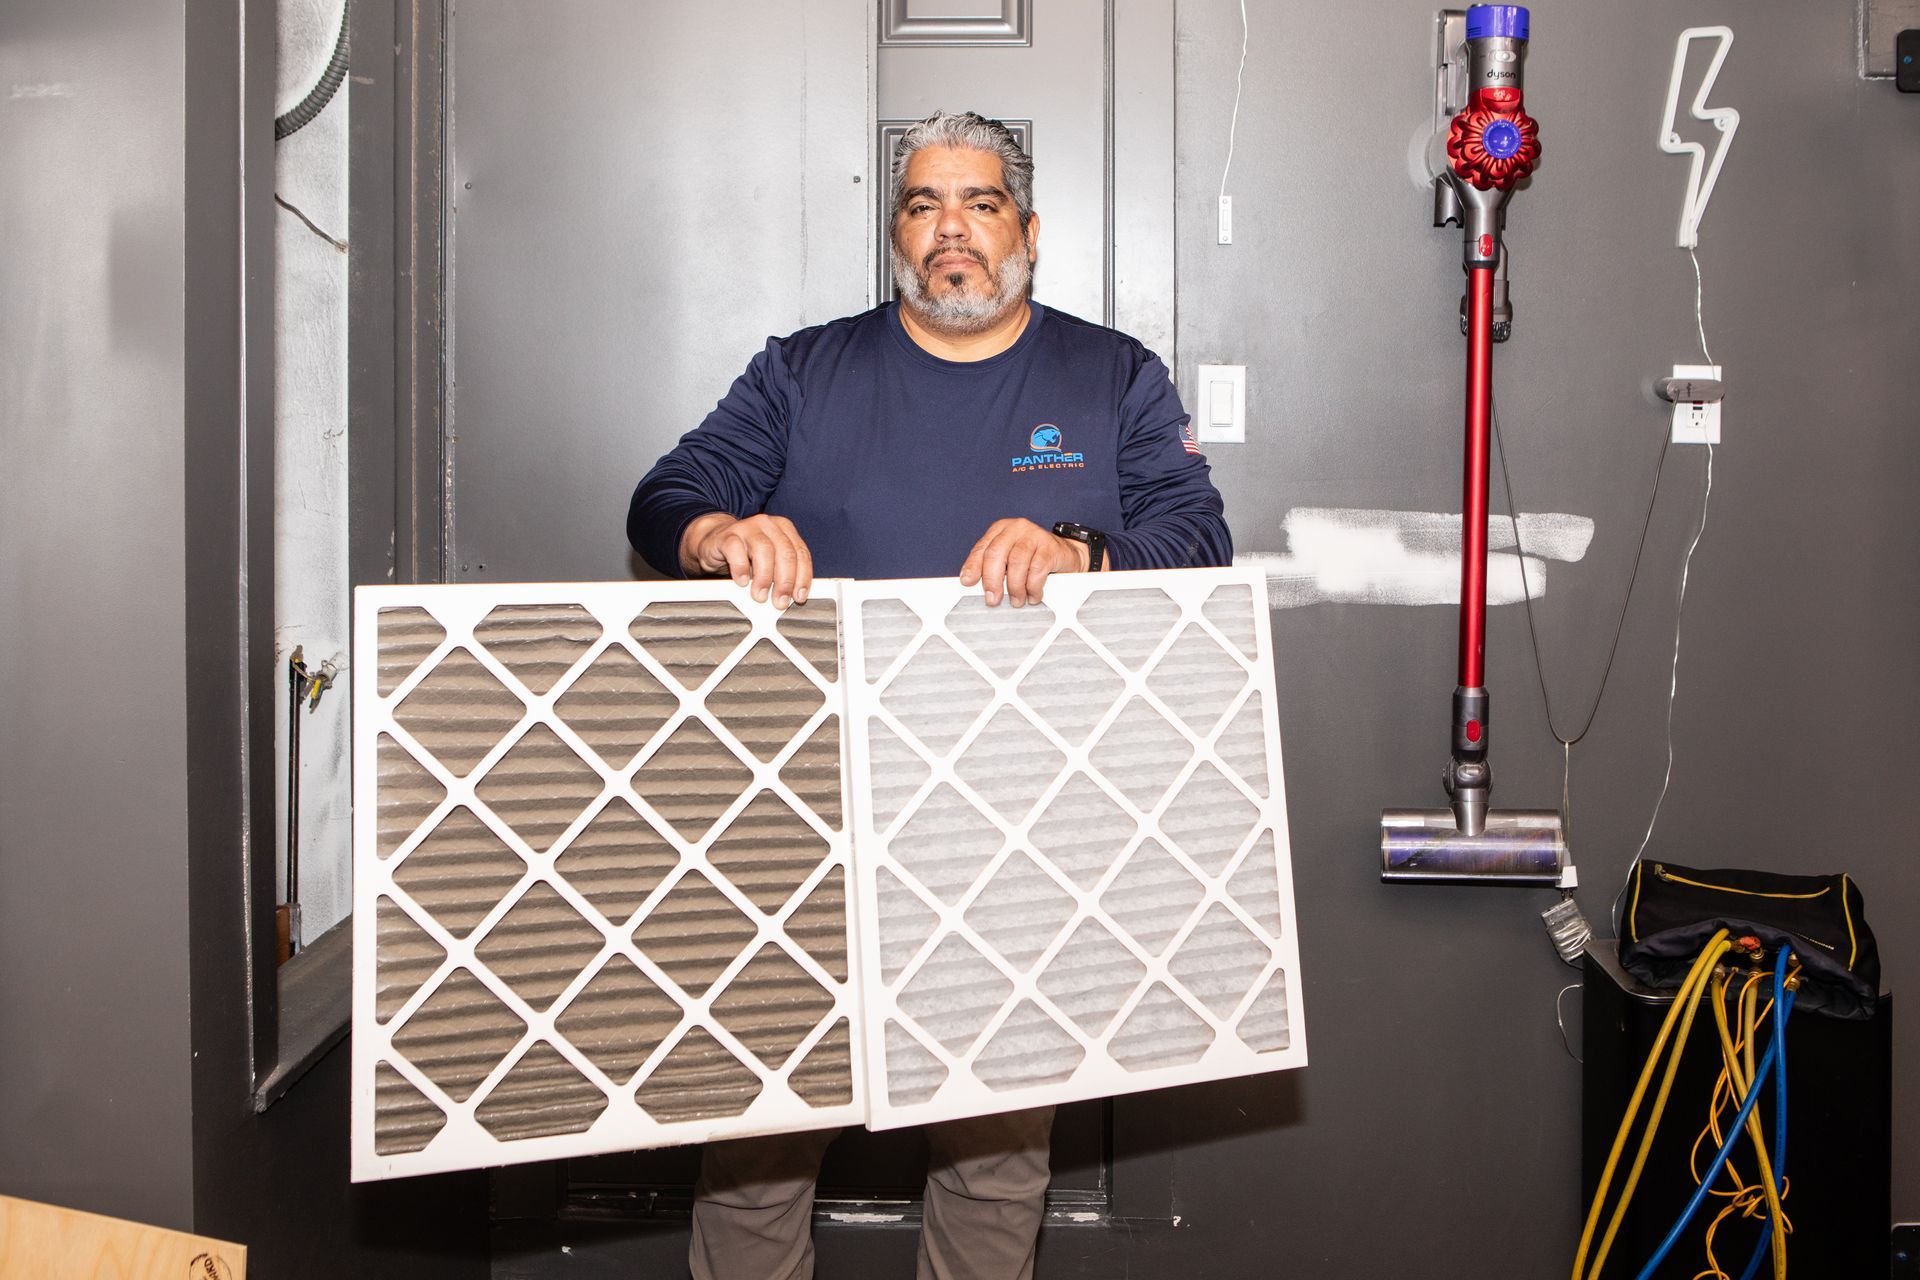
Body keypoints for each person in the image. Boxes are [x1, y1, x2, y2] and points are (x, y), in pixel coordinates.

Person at [627, 110, 1231, 1280]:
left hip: (1024, 826)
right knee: (755, 1148)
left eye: (980, 203)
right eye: (922, 205)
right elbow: (670, 491)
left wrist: (1080, 551)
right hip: (800, 822)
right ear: (899, 233)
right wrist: (715, 532)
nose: (950, 229)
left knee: (997, 1159)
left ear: (1029, 231)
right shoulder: (802, 371)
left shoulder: (1113, 377)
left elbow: (1198, 540)